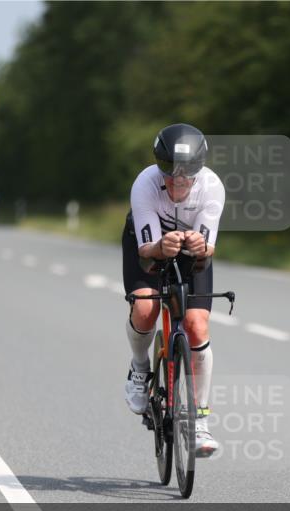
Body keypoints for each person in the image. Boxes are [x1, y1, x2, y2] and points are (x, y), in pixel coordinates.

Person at [122, 123, 225, 457]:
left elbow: (207, 250)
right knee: (145, 307)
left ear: (199, 171)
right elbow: (145, 251)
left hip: (190, 251)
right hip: (150, 245)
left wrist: (199, 245)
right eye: (170, 173)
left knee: (196, 325)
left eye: (186, 175)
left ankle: (199, 422)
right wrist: (160, 247)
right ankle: (140, 368)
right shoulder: (145, 184)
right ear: (160, 167)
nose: (178, 181)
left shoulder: (212, 187)